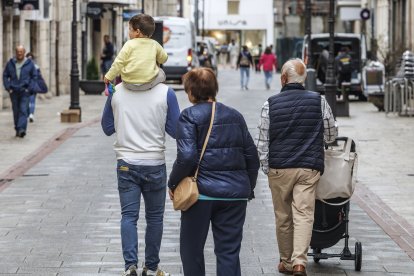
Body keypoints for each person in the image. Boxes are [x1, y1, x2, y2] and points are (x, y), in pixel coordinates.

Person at [168, 68, 259, 276]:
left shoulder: (188, 116)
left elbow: (187, 157)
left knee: (191, 251)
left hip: (200, 195)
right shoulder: (235, 116)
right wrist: (247, 188)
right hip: (235, 196)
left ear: (191, 91)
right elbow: (252, 158)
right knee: (228, 252)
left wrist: (173, 183)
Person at [101, 52, 180, 276]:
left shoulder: (117, 94)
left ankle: (130, 267)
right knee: (155, 218)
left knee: (129, 216)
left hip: (126, 163)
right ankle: (151, 267)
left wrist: (123, 114)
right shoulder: (167, 93)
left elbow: (107, 127)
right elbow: (175, 130)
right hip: (155, 163)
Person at [256, 59, 337, 276]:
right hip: (308, 168)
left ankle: (287, 262)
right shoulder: (318, 101)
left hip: (279, 168)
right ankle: (300, 262)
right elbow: (331, 134)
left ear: (283, 79)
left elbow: (262, 142)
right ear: (304, 80)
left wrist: (267, 168)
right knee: (303, 214)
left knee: (283, 216)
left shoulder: (269, 104)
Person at [104, 14, 168, 87]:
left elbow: (118, 63)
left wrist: (108, 76)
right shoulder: (155, 44)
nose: (129, 32)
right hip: (149, 83)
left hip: (129, 83)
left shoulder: (129, 44)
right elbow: (164, 59)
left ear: (137, 32)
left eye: (130, 29)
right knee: (161, 72)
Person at [3, 45, 37, 138]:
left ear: (24, 52)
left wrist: (29, 88)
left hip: (24, 91)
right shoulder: (11, 63)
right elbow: (5, 75)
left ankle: (21, 129)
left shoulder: (29, 63)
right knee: (16, 111)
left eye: (21, 51)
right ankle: (18, 128)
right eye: (18, 51)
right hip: (13, 91)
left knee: (23, 110)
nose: (19, 53)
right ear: (16, 52)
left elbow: (34, 76)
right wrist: (8, 87)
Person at [25, 52, 48, 123]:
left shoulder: (25, 66)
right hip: (31, 86)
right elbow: (39, 77)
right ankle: (30, 114)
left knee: (30, 101)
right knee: (31, 101)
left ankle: (30, 114)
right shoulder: (36, 66)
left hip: (30, 87)